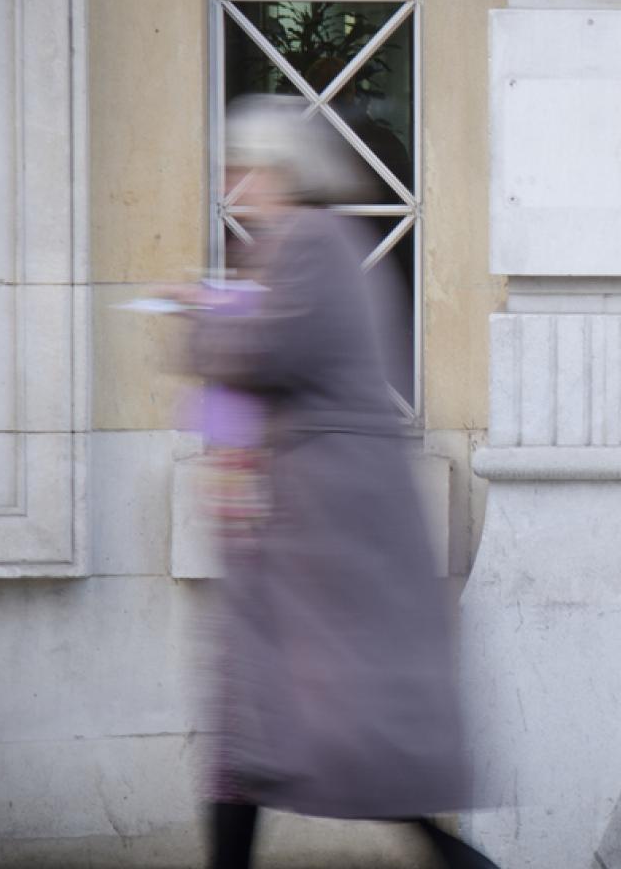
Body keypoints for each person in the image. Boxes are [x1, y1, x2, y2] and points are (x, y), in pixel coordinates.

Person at [173, 95, 495, 869]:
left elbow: (260, 355)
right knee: (266, 727)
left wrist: (200, 313)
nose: (235, 183)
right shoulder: (308, 244)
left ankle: (459, 862)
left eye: (245, 168)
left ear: (280, 172)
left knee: (311, 724)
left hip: (319, 533)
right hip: (301, 530)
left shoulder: (310, 242)